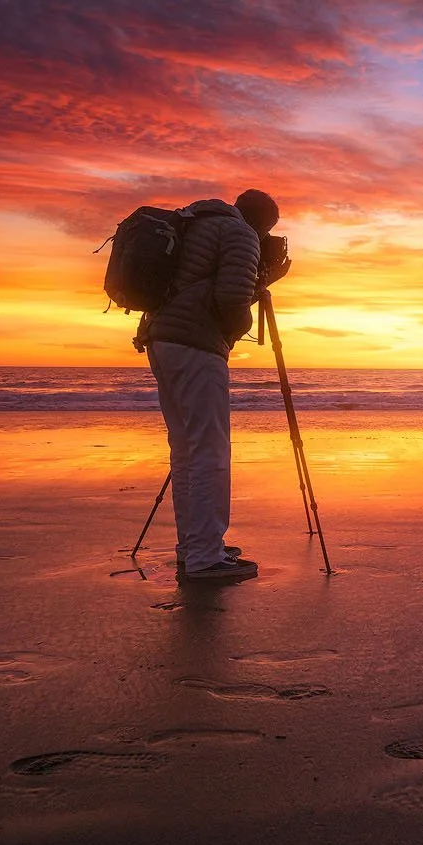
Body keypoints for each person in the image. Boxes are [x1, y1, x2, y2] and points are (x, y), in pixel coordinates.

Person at [138, 189, 278, 584]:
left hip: (160, 339)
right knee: (210, 449)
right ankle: (204, 555)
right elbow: (231, 296)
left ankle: (193, 546)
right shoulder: (239, 233)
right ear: (262, 223)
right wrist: (239, 327)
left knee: (185, 448)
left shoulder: (195, 222)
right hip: (196, 343)